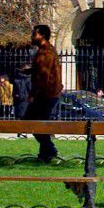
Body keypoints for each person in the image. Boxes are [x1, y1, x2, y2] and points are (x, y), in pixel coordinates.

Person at [24, 26, 62, 162]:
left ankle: (49, 149)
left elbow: (43, 76)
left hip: (46, 94)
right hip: (48, 93)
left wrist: (33, 94)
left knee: (31, 121)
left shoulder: (46, 52)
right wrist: (30, 71)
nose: (32, 36)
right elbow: (41, 71)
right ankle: (46, 152)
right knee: (38, 122)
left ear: (42, 36)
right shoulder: (46, 51)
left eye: (34, 34)